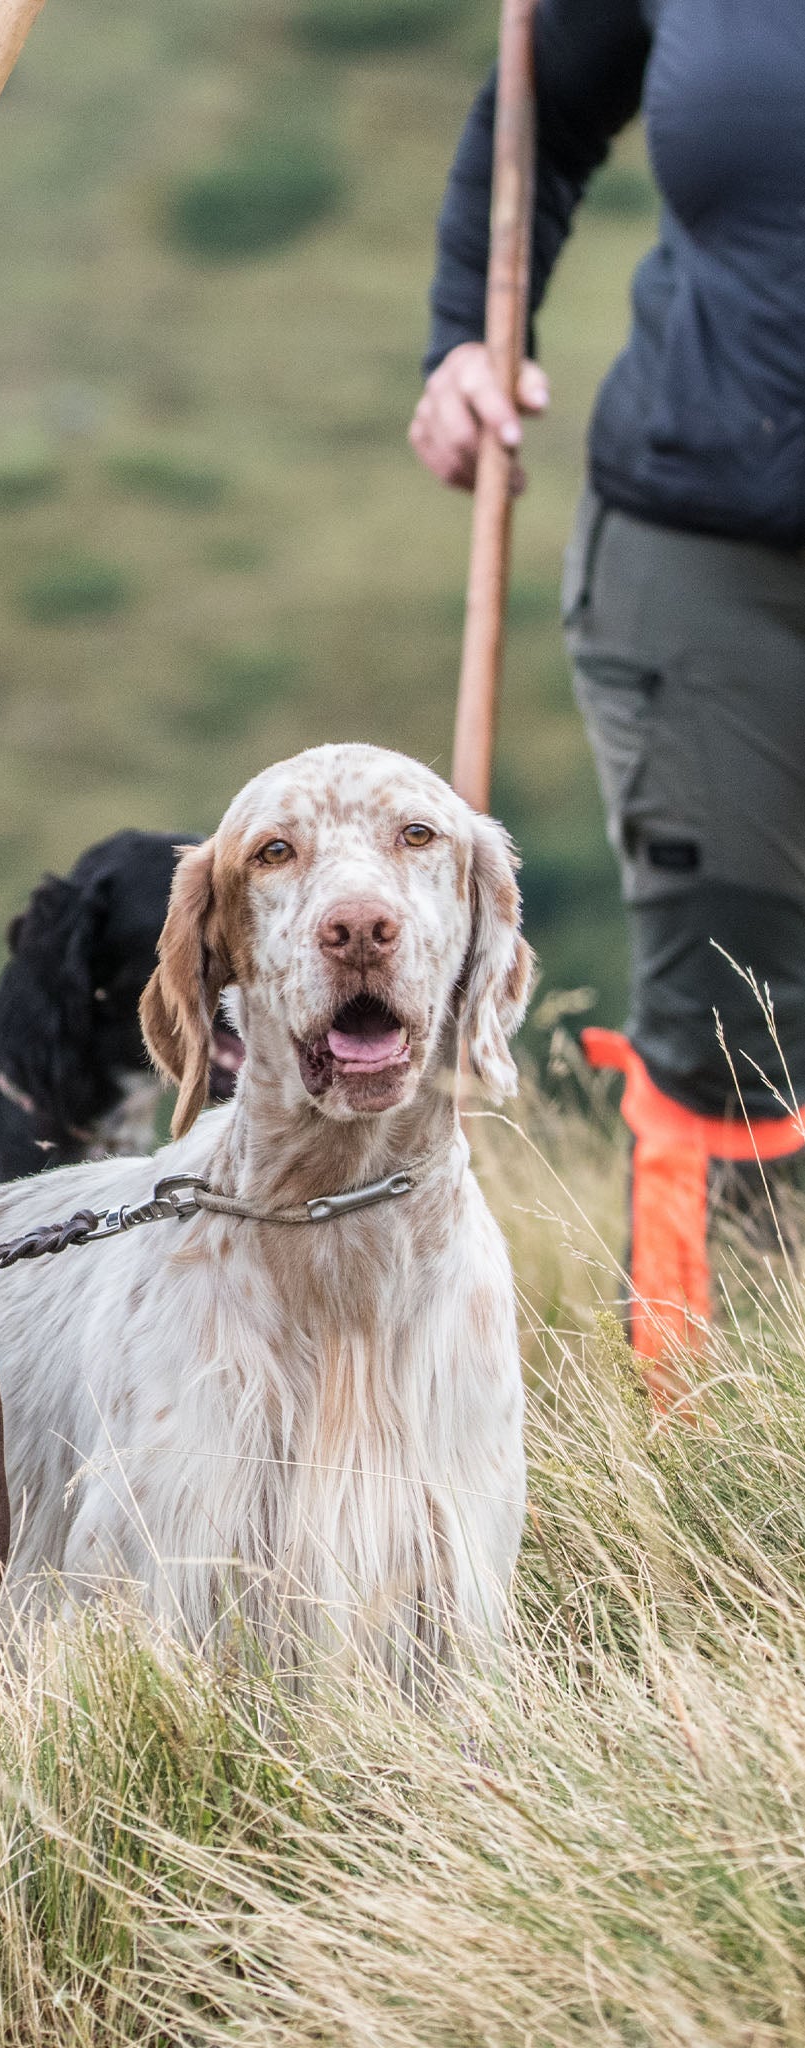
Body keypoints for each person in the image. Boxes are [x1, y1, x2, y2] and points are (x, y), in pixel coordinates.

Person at [412, 2, 805, 1339]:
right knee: (730, 1036)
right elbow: (540, 113)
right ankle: (712, 1462)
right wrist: (468, 333)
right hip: (704, 566)